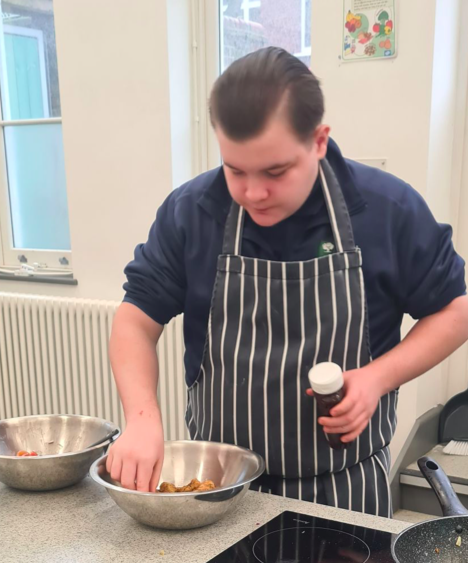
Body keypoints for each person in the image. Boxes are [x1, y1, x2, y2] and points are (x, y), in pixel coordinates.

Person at [106, 47, 468, 516]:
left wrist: (377, 379)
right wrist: (141, 418)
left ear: (319, 141)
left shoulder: (387, 211)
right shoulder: (193, 212)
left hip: (344, 494)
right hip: (219, 493)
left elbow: (456, 310)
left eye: (275, 172)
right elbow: (135, 320)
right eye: (235, 169)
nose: (253, 192)